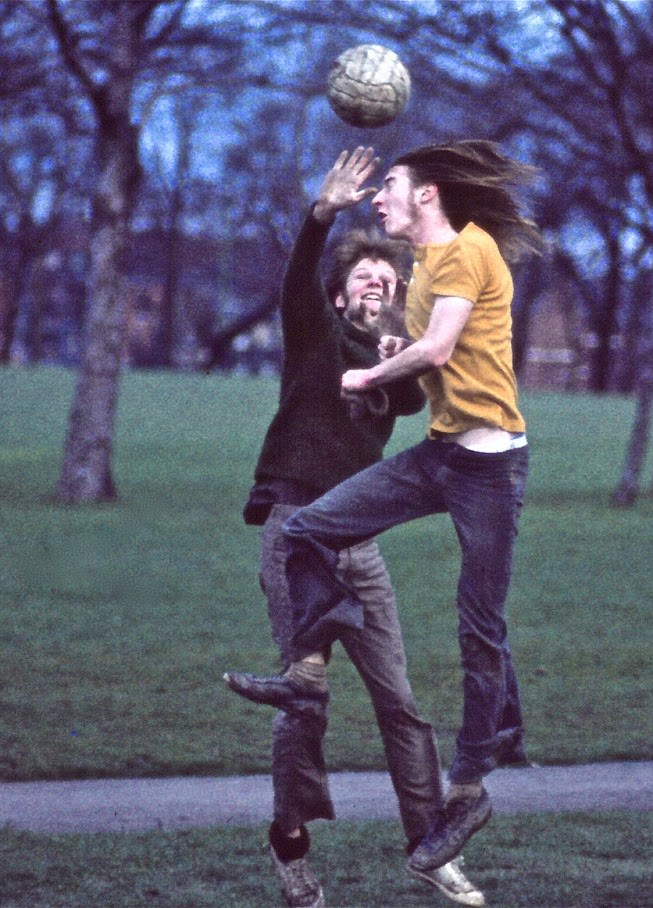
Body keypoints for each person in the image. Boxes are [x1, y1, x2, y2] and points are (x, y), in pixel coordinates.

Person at [225, 139, 541, 881]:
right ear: (338, 297)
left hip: (382, 528)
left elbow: (430, 362)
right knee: (308, 710)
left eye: (384, 280)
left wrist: (389, 344)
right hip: (294, 522)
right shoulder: (315, 335)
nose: (376, 285)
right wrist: (320, 216)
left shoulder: (406, 334)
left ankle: (435, 836)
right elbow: (304, 285)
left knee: (406, 697)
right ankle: (293, 844)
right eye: (363, 280)